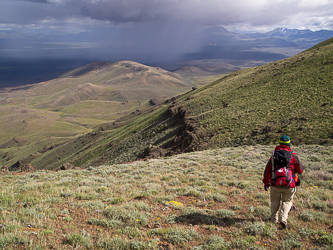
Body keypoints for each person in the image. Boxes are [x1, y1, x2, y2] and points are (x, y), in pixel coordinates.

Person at [262, 135, 303, 228]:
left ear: (279, 143)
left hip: (275, 183)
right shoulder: (293, 156)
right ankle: (283, 219)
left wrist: (266, 182)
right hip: (289, 184)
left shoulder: (274, 155)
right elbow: (300, 170)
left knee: (274, 201)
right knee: (287, 201)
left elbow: (267, 170)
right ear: (289, 144)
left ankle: (273, 219)